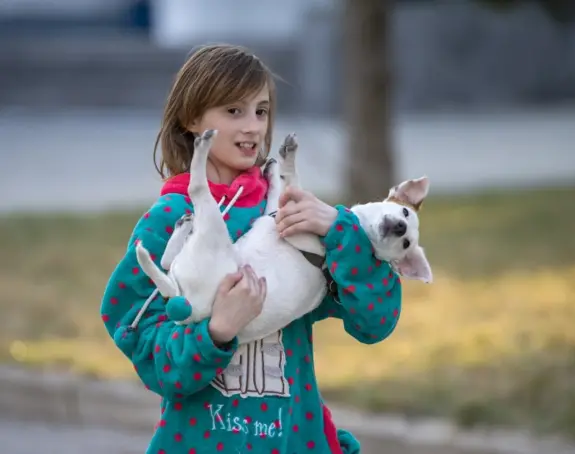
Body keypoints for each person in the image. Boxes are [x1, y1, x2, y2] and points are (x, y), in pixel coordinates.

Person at [100, 44, 402, 454]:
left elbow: (375, 322)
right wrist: (216, 332)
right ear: (191, 119)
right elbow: (147, 349)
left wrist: (339, 230)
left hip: (297, 440)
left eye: (261, 111)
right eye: (233, 111)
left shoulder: (287, 211)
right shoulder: (171, 220)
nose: (253, 127)